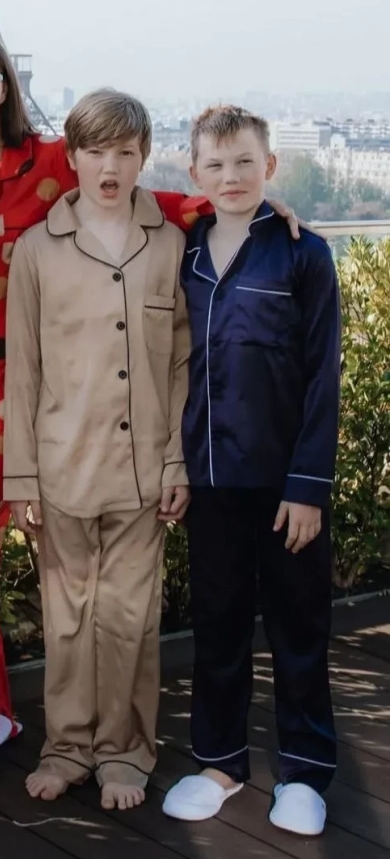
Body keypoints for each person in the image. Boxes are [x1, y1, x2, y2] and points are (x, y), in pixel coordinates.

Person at [0, 28, 223, 797]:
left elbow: (148, 202)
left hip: (20, 420)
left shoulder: (49, 164)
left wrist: (244, 205)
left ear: (6, 86)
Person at [3, 89, 190, 811]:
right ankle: (67, 748)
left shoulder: (169, 245)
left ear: (144, 158)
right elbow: (23, 372)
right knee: (68, 618)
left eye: (125, 152)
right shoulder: (36, 250)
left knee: (131, 620)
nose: (110, 167)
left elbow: (182, 364)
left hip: (144, 473)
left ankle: (124, 753)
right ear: (72, 156)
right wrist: (21, 476)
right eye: (96, 151)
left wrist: (176, 459)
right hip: (61, 470)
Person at [161, 105, 340, 837]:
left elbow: (322, 376)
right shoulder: (183, 251)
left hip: (284, 481)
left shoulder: (304, 254)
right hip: (210, 478)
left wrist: (308, 486)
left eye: (244, 162)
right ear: (194, 173)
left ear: (270, 166)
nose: (231, 176)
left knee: (300, 626)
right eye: (215, 164)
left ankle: (304, 771)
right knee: (219, 624)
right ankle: (219, 764)